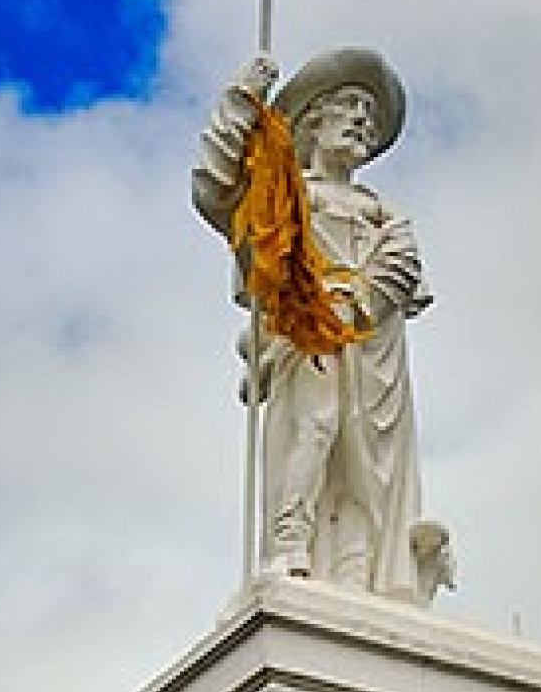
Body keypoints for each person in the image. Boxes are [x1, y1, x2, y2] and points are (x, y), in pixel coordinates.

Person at [192, 48, 449, 600]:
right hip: (307, 336)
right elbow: (214, 191)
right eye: (351, 106)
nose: (363, 120)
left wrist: (359, 300)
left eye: (370, 115)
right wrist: (242, 102)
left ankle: (357, 574)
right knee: (315, 429)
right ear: (314, 120)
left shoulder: (383, 212)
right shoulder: (287, 197)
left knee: (366, 465)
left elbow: (401, 266)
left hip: (372, 348)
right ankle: (291, 544)